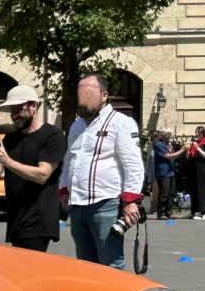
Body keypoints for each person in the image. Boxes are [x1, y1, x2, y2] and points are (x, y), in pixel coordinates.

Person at [58, 74, 145, 268]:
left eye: (87, 95)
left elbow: (133, 163)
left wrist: (131, 201)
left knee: (111, 263)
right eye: (79, 95)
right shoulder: (76, 125)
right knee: (86, 265)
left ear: (104, 95)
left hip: (106, 203)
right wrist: (63, 190)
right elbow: (70, 159)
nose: (81, 101)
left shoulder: (121, 122)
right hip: (78, 205)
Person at [0, 85, 67, 252]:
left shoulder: (53, 136)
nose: (14, 115)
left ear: (34, 106)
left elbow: (43, 175)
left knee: (32, 273)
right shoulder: (10, 139)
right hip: (16, 218)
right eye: (11, 110)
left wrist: (8, 162)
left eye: (19, 109)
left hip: (39, 219)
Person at [185, 127, 205, 220]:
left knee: (201, 189)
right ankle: (193, 212)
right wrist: (186, 149)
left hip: (201, 169)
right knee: (194, 190)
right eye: (196, 133)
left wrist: (197, 148)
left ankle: (203, 212)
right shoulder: (196, 143)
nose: (196, 135)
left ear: (203, 134)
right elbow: (187, 157)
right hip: (193, 169)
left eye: (198, 133)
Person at [153, 129, 177, 218]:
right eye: (168, 133)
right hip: (163, 172)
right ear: (162, 135)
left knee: (171, 193)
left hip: (170, 172)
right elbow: (168, 156)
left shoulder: (168, 144)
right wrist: (182, 150)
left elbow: (173, 154)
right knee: (164, 193)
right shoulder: (158, 144)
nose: (170, 135)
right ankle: (161, 213)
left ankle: (168, 212)